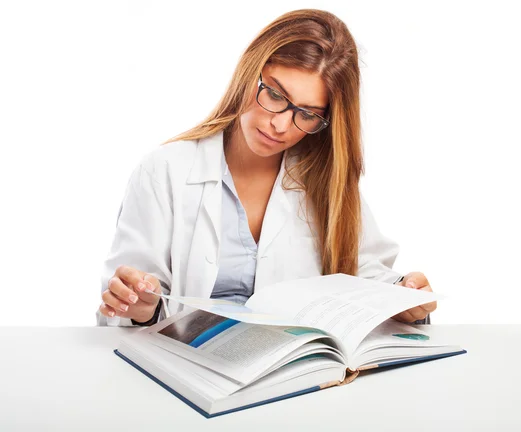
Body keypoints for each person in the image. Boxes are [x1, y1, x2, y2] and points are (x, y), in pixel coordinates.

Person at [96, 9, 437, 327]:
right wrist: (139, 306)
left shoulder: (324, 180)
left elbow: (368, 279)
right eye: (275, 94)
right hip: (189, 365)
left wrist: (404, 297)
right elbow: (131, 297)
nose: (280, 125)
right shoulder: (164, 170)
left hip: (293, 372)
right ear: (249, 72)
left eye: (306, 114)